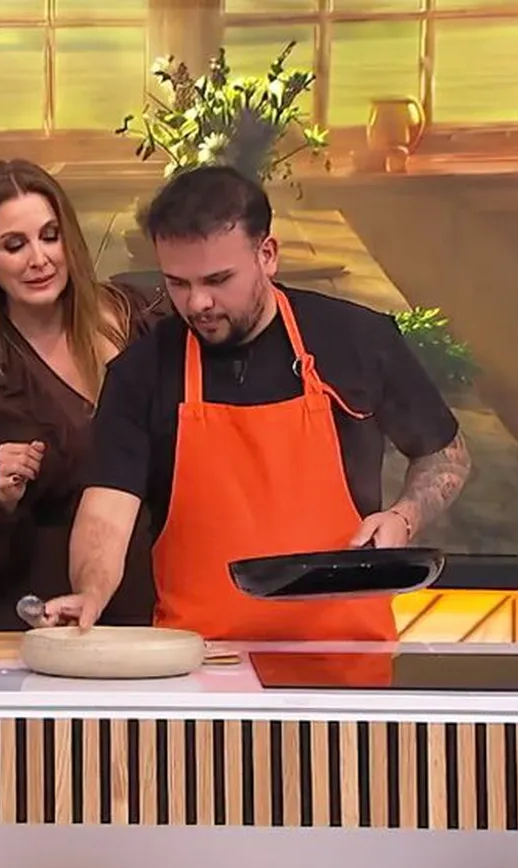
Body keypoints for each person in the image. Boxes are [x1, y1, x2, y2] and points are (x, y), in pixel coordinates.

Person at [45, 166, 471, 641]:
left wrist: (404, 517)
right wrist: (91, 591)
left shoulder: (358, 340)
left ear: (267, 255)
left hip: (346, 659)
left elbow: (445, 455)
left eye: (217, 279)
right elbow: (106, 511)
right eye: (178, 283)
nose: (198, 303)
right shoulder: (142, 372)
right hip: (198, 662)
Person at [0, 159, 168, 631]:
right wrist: (4, 500)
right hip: (36, 627)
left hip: (151, 615)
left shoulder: (138, 317)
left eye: (50, 236)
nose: (39, 259)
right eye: (14, 245)